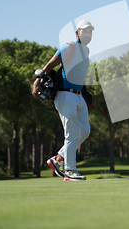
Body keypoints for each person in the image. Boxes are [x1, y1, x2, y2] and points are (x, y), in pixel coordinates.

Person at [32, 20, 94, 181]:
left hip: (79, 96)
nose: (88, 34)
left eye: (90, 32)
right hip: (65, 95)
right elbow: (49, 66)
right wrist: (37, 82)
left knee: (84, 131)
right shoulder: (69, 47)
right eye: (84, 31)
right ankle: (70, 171)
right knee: (72, 133)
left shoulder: (87, 51)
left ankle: (57, 159)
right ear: (77, 33)